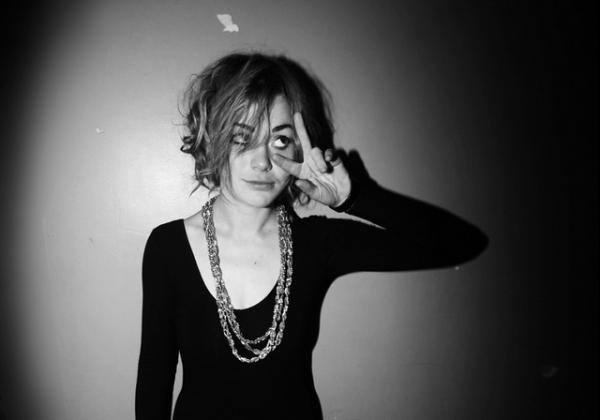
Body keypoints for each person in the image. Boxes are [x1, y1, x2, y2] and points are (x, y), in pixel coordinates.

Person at [134, 51, 488, 420]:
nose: (262, 162)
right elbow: (154, 380)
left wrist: (355, 198)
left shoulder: (316, 243)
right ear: (212, 138)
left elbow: (462, 242)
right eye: (242, 137)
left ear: (301, 149)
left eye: (280, 140)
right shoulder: (168, 247)